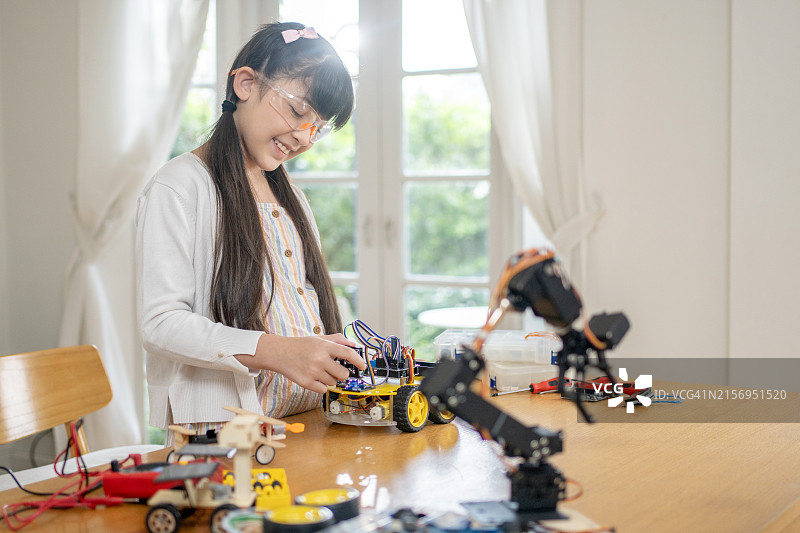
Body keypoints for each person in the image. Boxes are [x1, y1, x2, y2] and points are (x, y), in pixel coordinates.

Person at [135, 22, 366, 442]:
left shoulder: (290, 193)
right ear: (245, 83)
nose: (303, 136)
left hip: (309, 424)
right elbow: (160, 324)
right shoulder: (180, 186)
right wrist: (279, 352)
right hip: (226, 436)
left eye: (318, 126)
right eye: (298, 112)